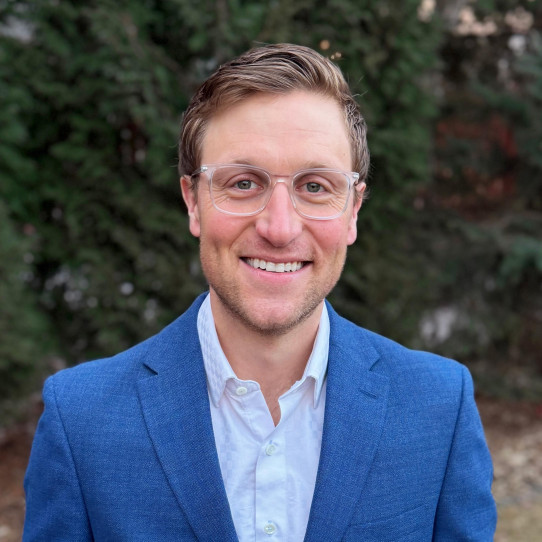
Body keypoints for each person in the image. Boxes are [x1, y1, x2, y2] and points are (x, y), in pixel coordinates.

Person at [23, 43, 496, 541]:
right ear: (193, 202)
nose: (279, 227)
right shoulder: (81, 421)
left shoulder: (438, 408)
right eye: (244, 183)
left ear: (353, 211)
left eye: (315, 186)